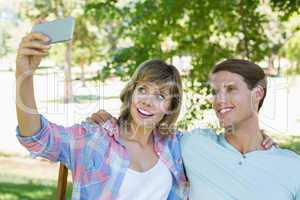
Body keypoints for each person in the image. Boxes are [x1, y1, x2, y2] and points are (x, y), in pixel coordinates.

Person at [15, 29, 188, 199]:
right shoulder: (95, 138)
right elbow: (38, 138)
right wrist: (24, 74)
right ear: (132, 92)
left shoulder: (174, 146)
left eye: (160, 96)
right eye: (143, 89)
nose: (147, 101)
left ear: (171, 106)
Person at [90, 59, 300, 200]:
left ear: (258, 94)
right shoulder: (193, 144)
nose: (219, 100)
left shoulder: (291, 166)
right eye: (215, 92)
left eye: (231, 89)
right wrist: (114, 125)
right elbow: (147, 131)